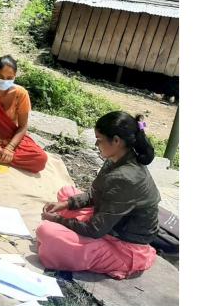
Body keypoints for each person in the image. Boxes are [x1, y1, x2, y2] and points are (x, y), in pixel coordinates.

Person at [35, 112, 160, 279]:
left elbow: (95, 230)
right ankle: (66, 225)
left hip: (125, 246)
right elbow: (95, 194)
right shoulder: (116, 157)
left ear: (116, 140)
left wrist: (57, 220)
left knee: (47, 231)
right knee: (66, 193)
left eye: (99, 139)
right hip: (112, 224)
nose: (96, 144)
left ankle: (117, 261)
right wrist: (66, 204)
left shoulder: (125, 177)